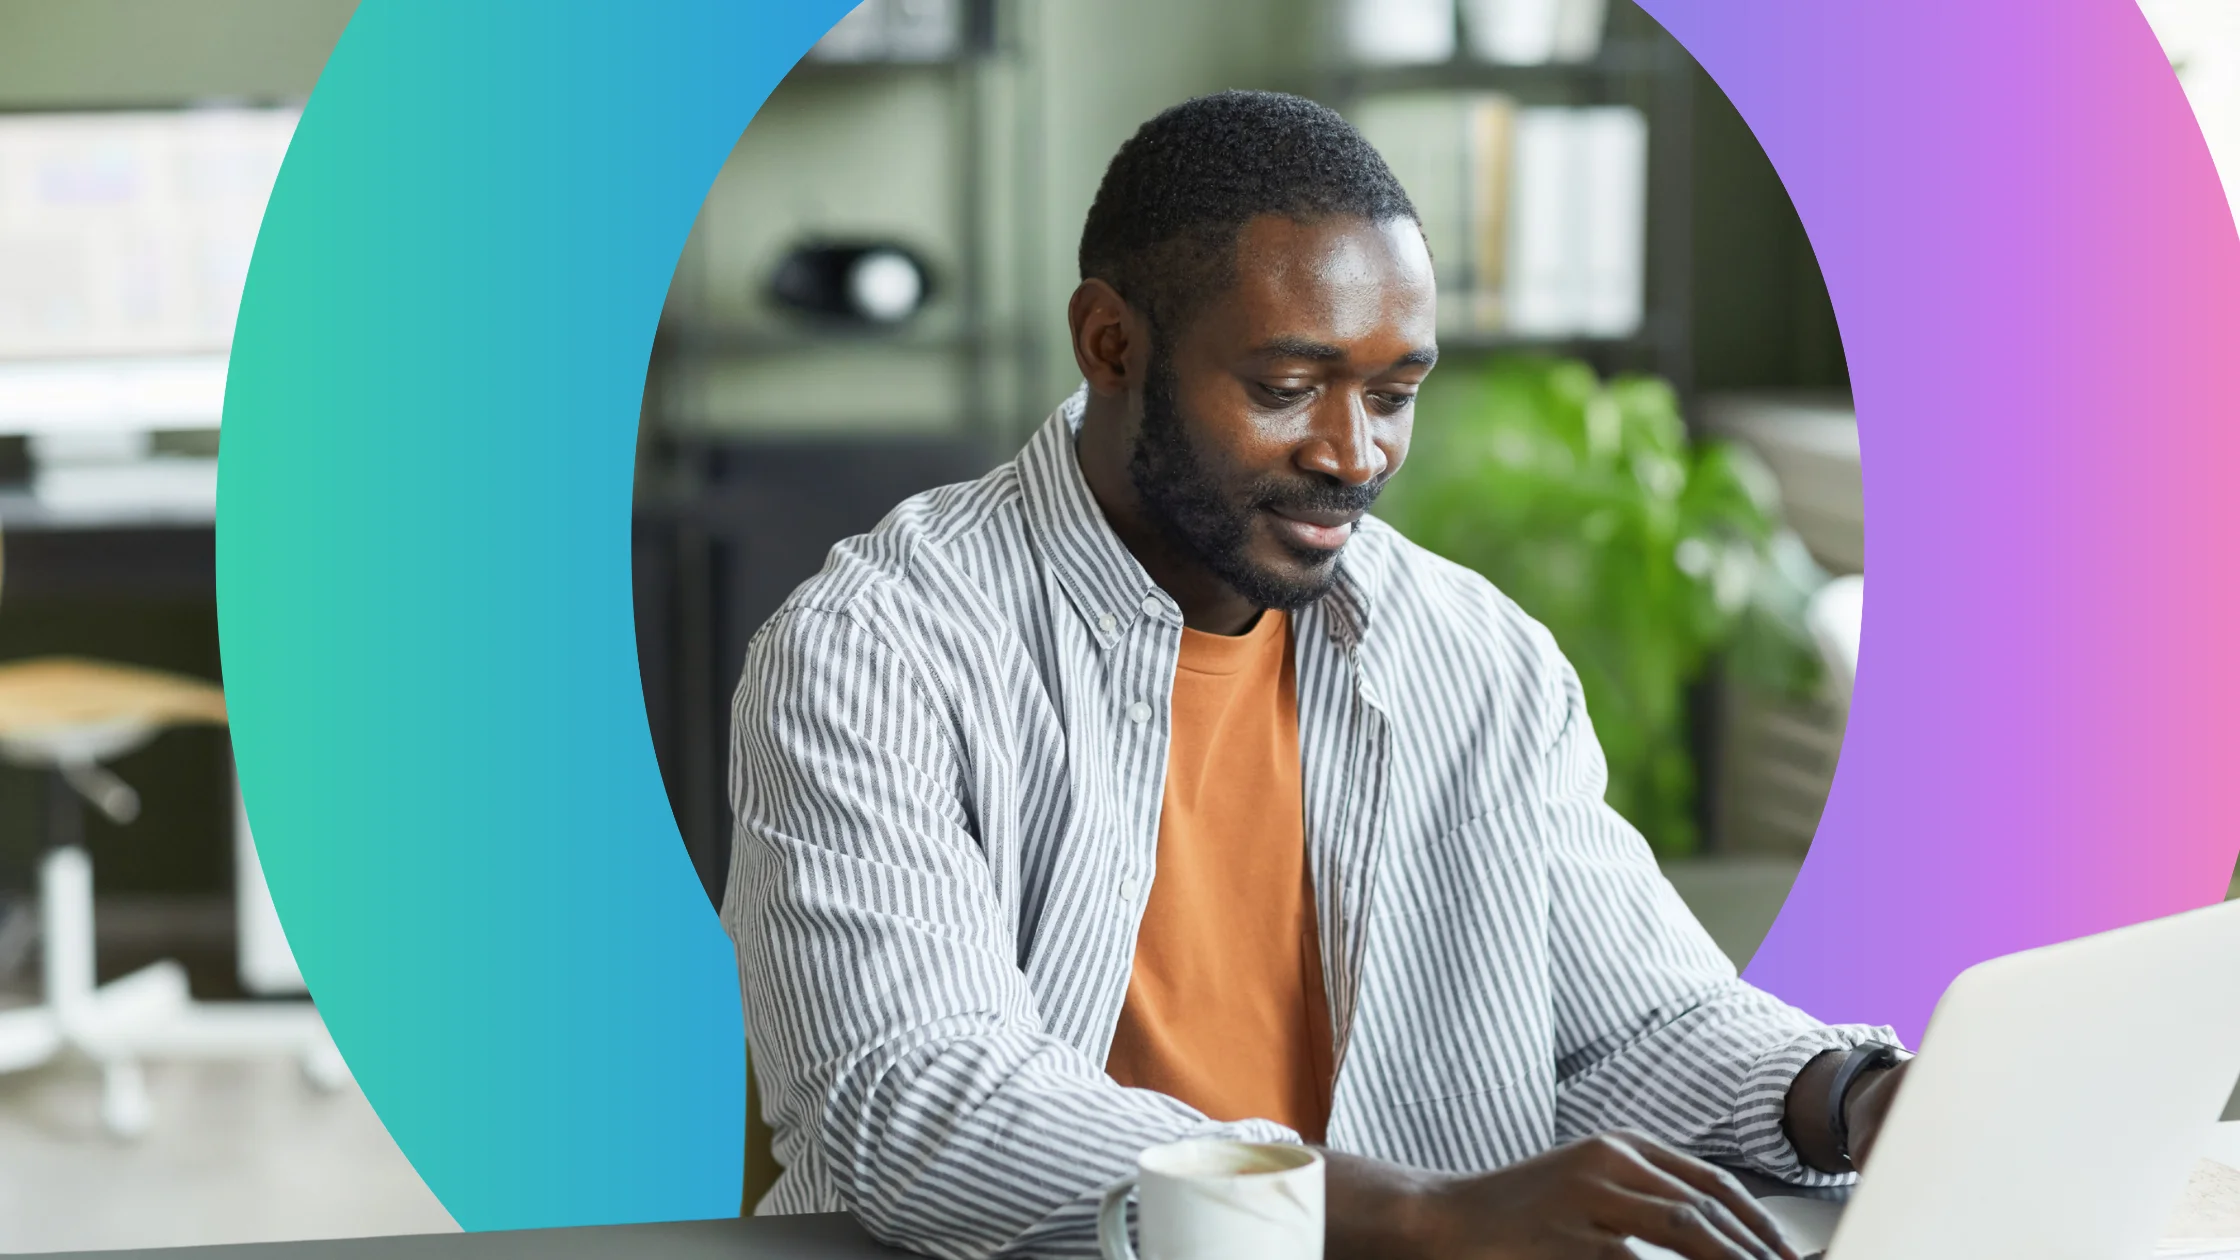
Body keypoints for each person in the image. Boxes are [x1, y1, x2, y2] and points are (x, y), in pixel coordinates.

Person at [722, 89, 1907, 1260]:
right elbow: (921, 1105)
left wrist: (1849, 1094)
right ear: (1110, 343)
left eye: (1394, 398)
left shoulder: (1478, 660)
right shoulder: (872, 654)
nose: (1354, 455)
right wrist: (1418, 1216)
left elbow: (1638, 1021)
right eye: (1286, 389)